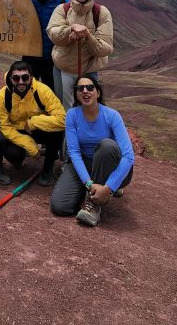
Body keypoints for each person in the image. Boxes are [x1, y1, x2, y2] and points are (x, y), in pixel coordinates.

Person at [50, 75, 134, 227]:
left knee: (107, 146)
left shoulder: (112, 115)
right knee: (60, 206)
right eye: (80, 88)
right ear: (76, 94)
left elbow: (128, 156)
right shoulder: (72, 115)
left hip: (108, 162)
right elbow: (74, 153)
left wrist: (109, 188)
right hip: (83, 163)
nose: (85, 91)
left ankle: (94, 204)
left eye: (90, 87)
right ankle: (93, 188)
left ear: (98, 93)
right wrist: (89, 183)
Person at [0, 60, 65, 186]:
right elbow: (4, 126)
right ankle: (18, 159)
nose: (21, 82)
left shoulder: (43, 90)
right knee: (14, 154)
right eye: (16, 78)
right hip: (16, 130)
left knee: (57, 132)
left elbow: (62, 119)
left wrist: (33, 123)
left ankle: (49, 164)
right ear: (10, 78)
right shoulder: (2, 96)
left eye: (25, 78)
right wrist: (28, 144)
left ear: (31, 77)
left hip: (38, 127)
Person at [47, 0, 113, 109]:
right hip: (64, 69)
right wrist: (70, 30)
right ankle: (67, 131)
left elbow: (105, 49)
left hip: (89, 71)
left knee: (89, 108)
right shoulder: (62, 10)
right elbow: (53, 34)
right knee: (65, 108)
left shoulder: (101, 13)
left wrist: (88, 35)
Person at [22, 0, 68, 87]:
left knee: (54, 97)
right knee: (27, 94)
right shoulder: (23, 1)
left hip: (54, 60)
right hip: (29, 58)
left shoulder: (62, 2)